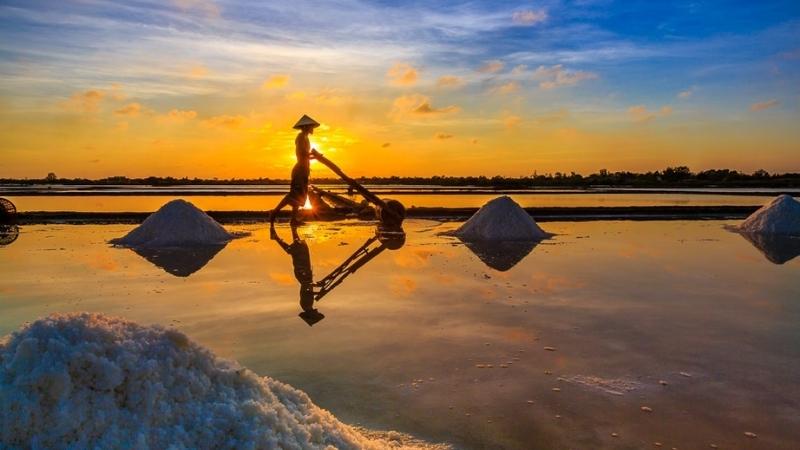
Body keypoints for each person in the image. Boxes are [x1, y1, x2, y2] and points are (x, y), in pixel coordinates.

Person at [269, 114, 320, 229]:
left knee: (299, 196)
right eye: (311, 126)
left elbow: (305, 155)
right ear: (306, 127)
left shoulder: (306, 138)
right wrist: (314, 155)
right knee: (293, 195)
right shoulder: (301, 137)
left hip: (304, 169)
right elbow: (301, 154)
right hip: (300, 170)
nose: (312, 129)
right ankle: (274, 213)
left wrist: (313, 156)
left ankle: (293, 220)